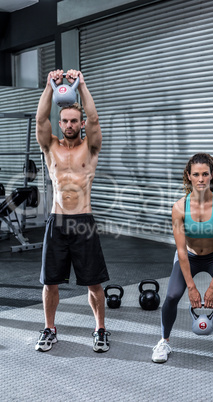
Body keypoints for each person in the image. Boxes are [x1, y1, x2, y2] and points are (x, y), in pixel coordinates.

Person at [35, 69, 110, 353]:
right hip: (57, 222)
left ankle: (100, 329)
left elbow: (95, 118)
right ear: (61, 122)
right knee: (50, 283)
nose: (68, 124)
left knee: (94, 284)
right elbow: (41, 119)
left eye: (73, 121)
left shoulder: (90, 148)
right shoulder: (50, 147)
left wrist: (82, 85)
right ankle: (50, 328)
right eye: (64, 120)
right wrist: (48, 87)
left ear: (80, 124)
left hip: (83, 222)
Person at [152, 153, 213, 366]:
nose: (201, 179)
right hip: (190, 257)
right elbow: (181, 251)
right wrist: (192, 287)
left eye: (205, 174)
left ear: (212, 175)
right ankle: (164, 341)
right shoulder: (179, 208)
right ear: (189, 176)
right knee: (172, 295)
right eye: (196, 174)